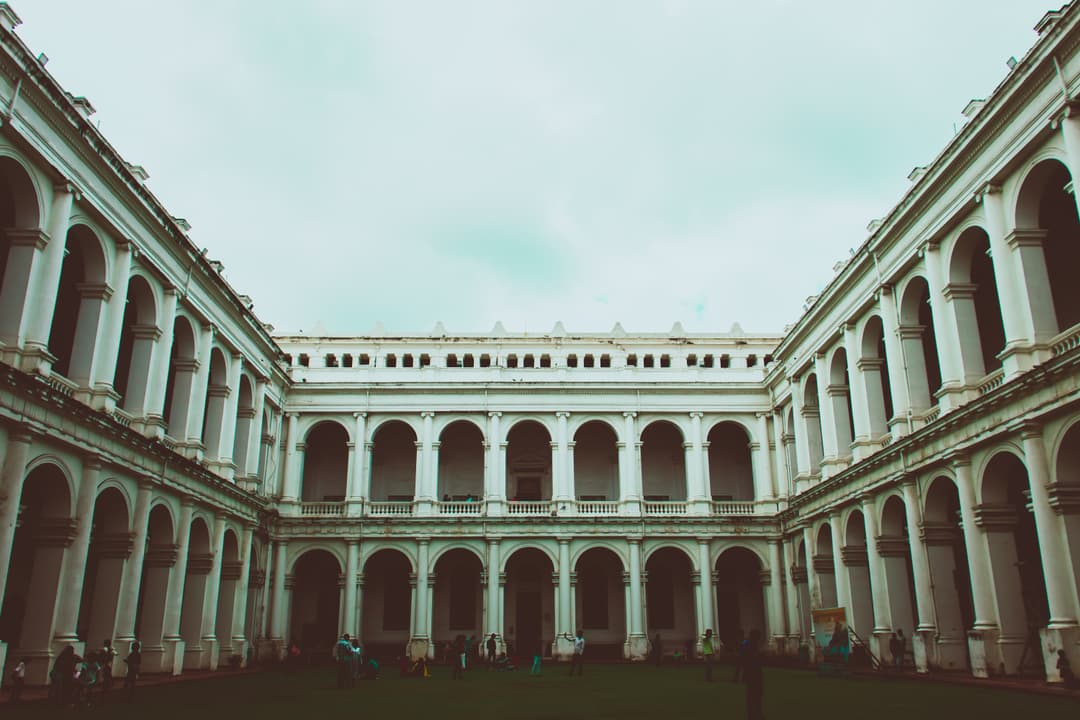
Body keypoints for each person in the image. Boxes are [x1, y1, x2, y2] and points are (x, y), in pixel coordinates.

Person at [734, 630, 765, 720]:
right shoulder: (748, 644)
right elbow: (743, 659)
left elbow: (741, 659)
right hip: (753, 673)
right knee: (755, 695)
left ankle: (755, 714)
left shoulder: (747, 644)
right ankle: (755, 714)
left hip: (752, 673)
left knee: (754, 695)